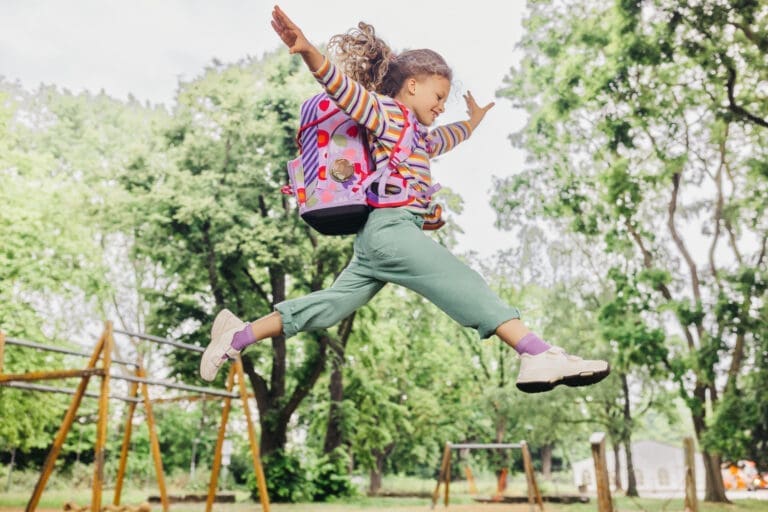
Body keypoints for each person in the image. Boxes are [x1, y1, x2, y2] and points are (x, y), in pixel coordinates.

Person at [200, 5, 610, 393]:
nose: (441, 104)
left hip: (379, 239)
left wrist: (472, 122)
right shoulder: (387, 113)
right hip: (391, 231)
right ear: (412, 85)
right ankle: (537, 353)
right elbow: (343, 90)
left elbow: (447, 139)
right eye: (438, 95)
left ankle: (240, 333)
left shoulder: (417, 135)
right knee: (462, 282)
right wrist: (309, 51)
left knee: (329, 307)